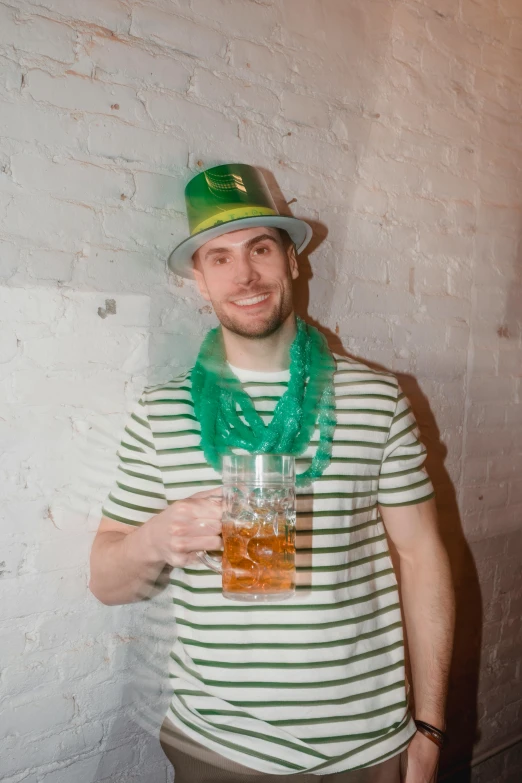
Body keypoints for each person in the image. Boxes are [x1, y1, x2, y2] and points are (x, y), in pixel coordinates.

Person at [89, 164, 455, 783]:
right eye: (219, 257)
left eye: (260, 248)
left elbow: (422, 556)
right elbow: (106, 580)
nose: (245, 274)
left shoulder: (378, 397)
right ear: (199, 282)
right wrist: (155, 539)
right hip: (219, 745)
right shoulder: (161, 411)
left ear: (291, 261)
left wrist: (430, 727)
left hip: (368, 746)